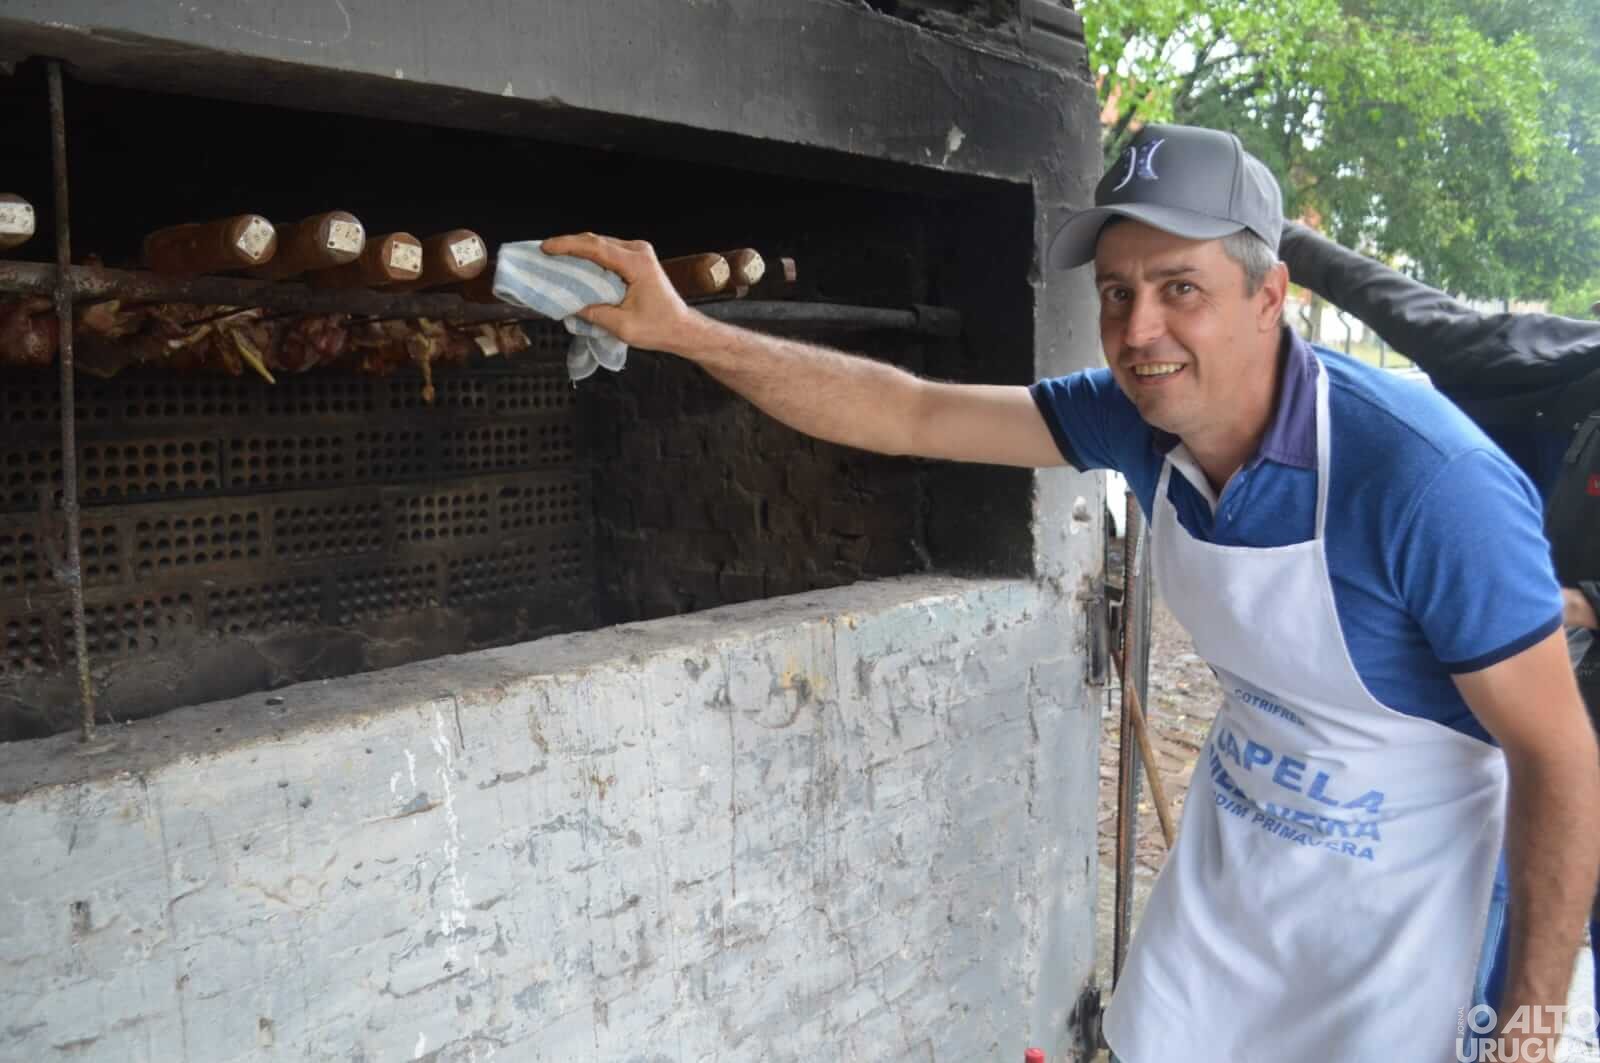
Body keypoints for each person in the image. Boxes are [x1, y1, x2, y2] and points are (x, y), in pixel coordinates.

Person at [543, 122, 1600, 1063]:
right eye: (1116, 292)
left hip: (1412, 920)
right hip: (1238, 877)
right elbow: (909, 412)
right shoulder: (1137, 418)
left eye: (1180, 288)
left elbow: (1558, 758)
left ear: (1269, 296)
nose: (1138, 331)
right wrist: (685, 331)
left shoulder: (1427, 482)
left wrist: (1524, 1035)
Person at [1276, 219, 1600, 1022]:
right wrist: (1273, 232)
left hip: (1567, 668)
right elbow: (1384, 294)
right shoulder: (1536, 363)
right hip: (1501, 701)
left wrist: (1580, 600)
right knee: (1491, 917)